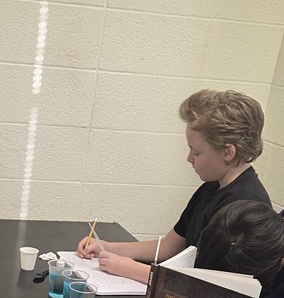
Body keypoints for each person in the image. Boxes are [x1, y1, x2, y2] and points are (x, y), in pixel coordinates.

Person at [76, 89, 271, 283]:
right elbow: (169, 247)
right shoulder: (211, 187)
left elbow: (211, 286)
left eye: (196, 152)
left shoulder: (246, 207)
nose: (189, 159)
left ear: (228, 152)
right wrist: (106, 247)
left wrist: (129, 268)